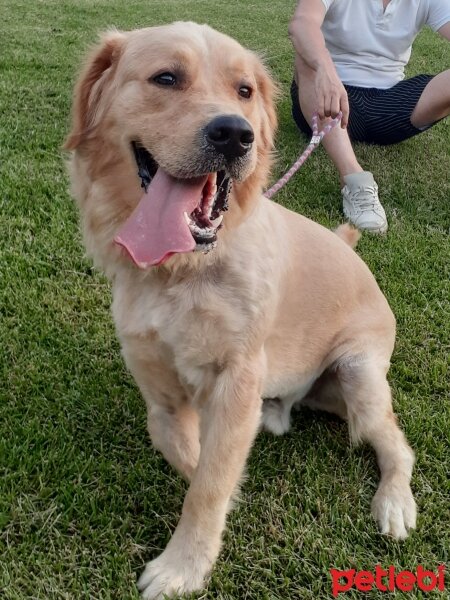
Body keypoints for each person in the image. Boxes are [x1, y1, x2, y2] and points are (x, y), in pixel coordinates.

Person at [289, 0, 450, 233]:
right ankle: (354, 179)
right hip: (328, 99)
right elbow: (302, 23)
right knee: (307, 54)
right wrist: (326, 70)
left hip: (389, 106)